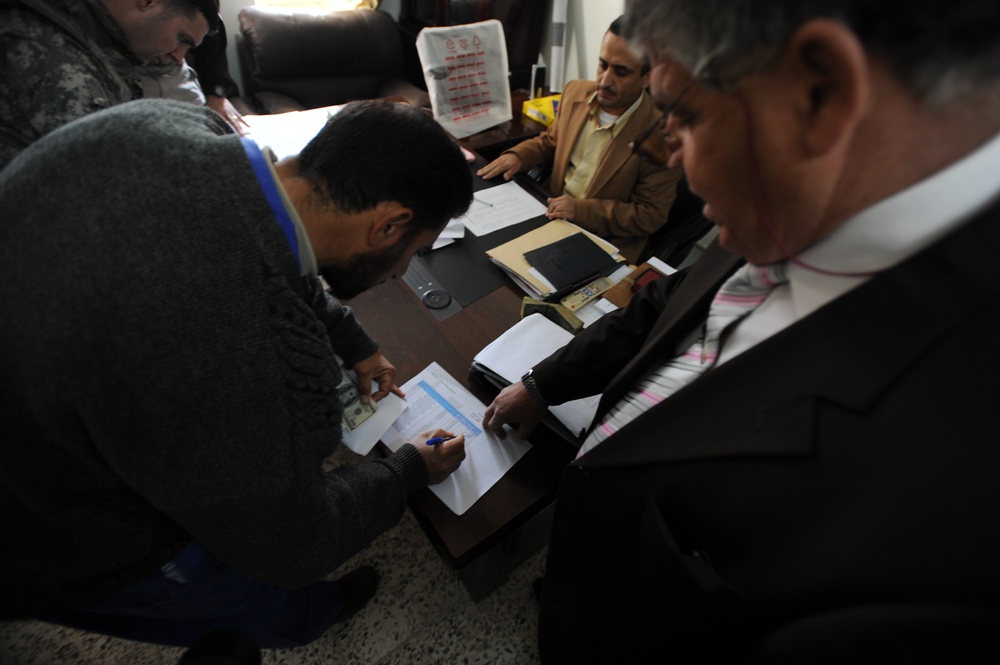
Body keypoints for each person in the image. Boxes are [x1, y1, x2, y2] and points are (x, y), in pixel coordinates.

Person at [481, 0, 1000, 661]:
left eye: (685, 116)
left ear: (820, 95)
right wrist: (543, 382)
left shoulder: (953, 521)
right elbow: (664, 307)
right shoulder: (785, 193)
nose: (679, 160)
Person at [0, 98, 472, 649]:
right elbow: (292, 541)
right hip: (62, 530)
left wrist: (353, 340)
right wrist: (407, 471)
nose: (398, 274)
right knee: (239, 593)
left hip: (39, 393)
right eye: (412, 252)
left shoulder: (174, 124)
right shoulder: (233, 353)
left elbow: (264, 250)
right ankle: (308, 618)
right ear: (388, 225)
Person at [475, 16, 681, 263]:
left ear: (647, 77)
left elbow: (649, 216)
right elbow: (551, 141)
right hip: (546, 212)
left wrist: (581, 210)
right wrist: (518, 156)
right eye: (603, 65)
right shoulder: (575, 92)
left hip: (602, 240)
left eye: (621, 71)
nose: (604, 81)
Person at [0, 0, 218, 170]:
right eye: (182, 39)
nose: (180, 57)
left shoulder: (83, 30)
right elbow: (108, 185)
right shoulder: (62, 70)